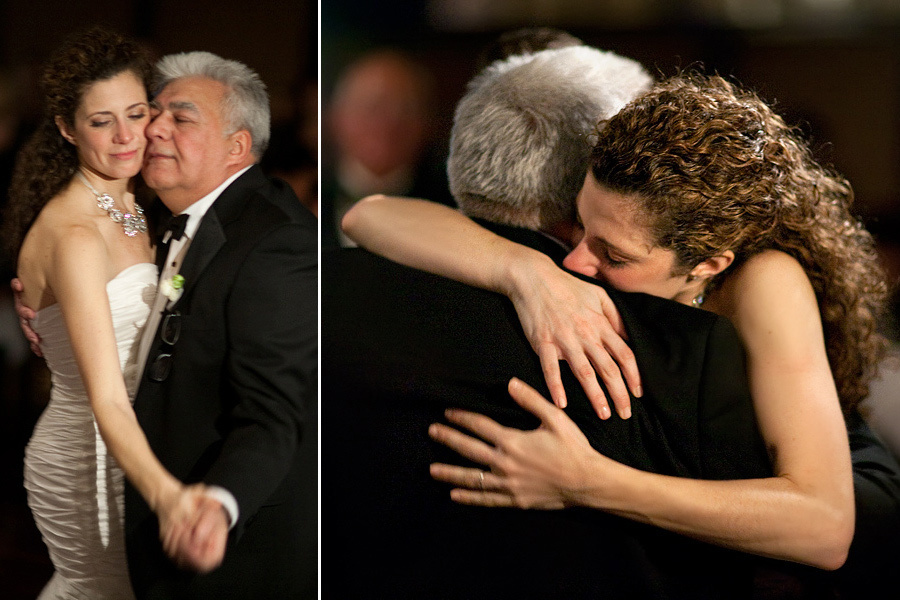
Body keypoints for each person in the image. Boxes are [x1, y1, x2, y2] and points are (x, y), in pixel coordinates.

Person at [343, 72, 898, 580]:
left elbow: (826, 529)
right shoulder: (603, 242)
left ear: (708, 265)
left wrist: (588, 483)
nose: (577, 262)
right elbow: (367, 216)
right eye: (579, 226)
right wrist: (525, 272)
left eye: (613, 255)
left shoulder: (767, 282)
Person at [14, 50, 318, 598]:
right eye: (149, 113)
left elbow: (273, 413)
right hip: (95, 458)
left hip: (209, 507)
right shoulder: (125, 214)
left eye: (177, 117)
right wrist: (51, 306)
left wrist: (214, 503)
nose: (150, 130)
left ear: (237, 148)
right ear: (67, 128)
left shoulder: (267, 240)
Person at [0, 27, 209, 599]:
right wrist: (169, 497)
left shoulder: (138, 204)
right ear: (67, 128)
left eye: (136, 113)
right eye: (101, 122)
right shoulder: (76, 234)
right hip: (90, 453)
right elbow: (107, 398)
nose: (126, 137)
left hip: (137, 442)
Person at [321, 48, 452, 249]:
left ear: (428, 123)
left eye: (406, 109)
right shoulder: (302, 202)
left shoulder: (452, 208)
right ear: (336, 117)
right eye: (373, 106)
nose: (389, 122)